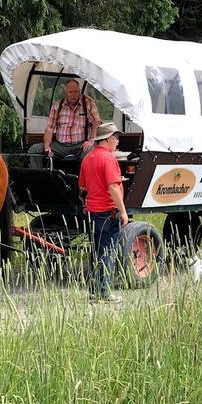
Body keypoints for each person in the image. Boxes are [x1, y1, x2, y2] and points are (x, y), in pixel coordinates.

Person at [78, 122, 129, 303]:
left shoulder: (87, 158)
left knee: (96, 252)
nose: (117, 142)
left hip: (92, 212)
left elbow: (83, 185)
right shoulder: (109, 159)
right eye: (116, 138)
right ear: (107, 139)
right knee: (107, 252)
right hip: (109, 212)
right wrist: (123, 212)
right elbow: (114, 187)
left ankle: (94, 292)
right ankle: (105, 293)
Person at [29, 79, 101, 169]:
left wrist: (91, 140)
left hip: (80, 145)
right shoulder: (57, 105)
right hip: (60, 146)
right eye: (70, 92)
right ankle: (39, 178)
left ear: (79, 91)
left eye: (76, 92)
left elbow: (96, 123)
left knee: (91, 150)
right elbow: (50, 128)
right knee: (35, 149)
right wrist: (47, 146)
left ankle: (84, 181)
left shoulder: (88, 103)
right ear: (65, 93)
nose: (74, 95)